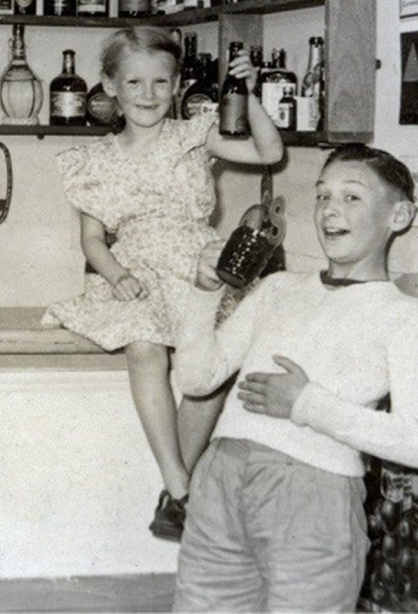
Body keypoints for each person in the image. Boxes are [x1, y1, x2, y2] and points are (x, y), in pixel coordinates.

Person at [170, 144, 418, 610]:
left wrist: (306, 404)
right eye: (322, 196)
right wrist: (203, 293)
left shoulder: (406, 315)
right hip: (221, 480)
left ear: (398, 216)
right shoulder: (277, 288)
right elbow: (197, 380)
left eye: (351, 197)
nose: (330, 210)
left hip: (314, 494)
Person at [42, 27, 284, 540]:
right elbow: (92, 241)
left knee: (212, 368)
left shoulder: (194, 135)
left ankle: (174, 498)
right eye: (134, 82)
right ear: (111, 86)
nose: (148, 94)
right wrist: (118, 276)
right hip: (138, 272)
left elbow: (268, 153)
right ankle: (179, 485)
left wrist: (250, 95)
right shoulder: (93, 161)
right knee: (145, 349)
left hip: (200, 267)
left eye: (159, 82)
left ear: (176, 85)